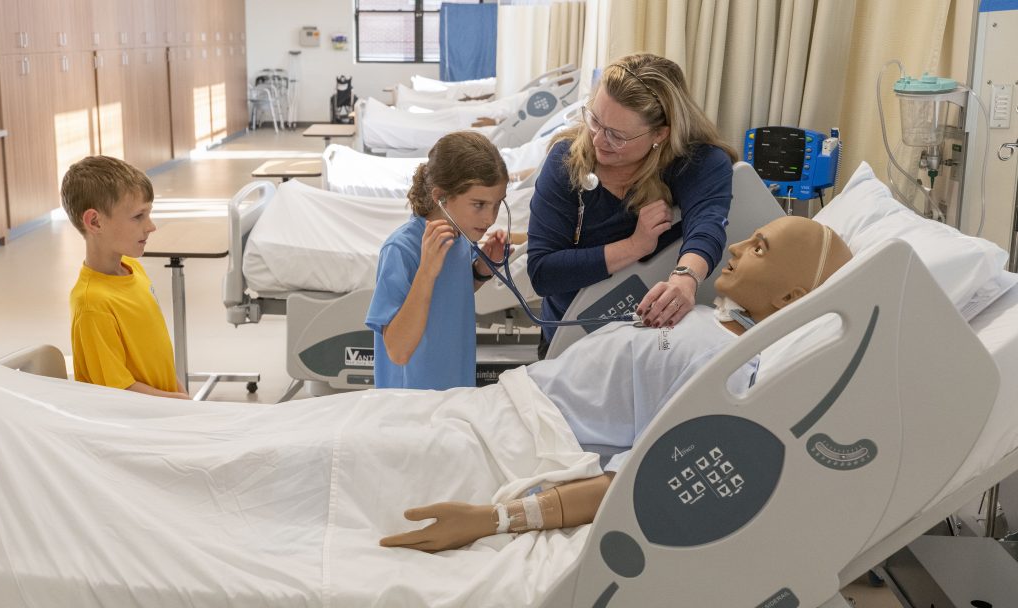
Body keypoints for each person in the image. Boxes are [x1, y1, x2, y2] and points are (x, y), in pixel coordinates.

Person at [381, 215, 852, 551]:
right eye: (749, 239)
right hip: (491, 407)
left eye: (759, 248)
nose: (735, 248)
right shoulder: (706, 316)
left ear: (790, 296)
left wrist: (493, 519)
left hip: (512, 444)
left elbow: (633, 478)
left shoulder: (724, 371)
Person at [527, 53, 738, 358]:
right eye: (595, 120)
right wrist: (635, 246)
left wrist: (685, 278)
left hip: (651, 346)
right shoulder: (566, 161)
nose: (599, 140)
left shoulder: (695, 163)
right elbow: (543, 272)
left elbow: (707, 225)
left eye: (617, 135)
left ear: (660, 134)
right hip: (569, 341)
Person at [365, 131, 511, 389]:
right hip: (411, 404)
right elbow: (398, 351)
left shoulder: (460, 237)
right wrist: (426, 271)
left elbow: (447, 297)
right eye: (479, 204)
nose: (490, 219)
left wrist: (481, 270)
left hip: (454, 388)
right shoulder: (401, 249)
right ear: (440, 197)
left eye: (497, 204)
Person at [61, 155, 190, 399]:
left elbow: (155, 357)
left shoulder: (132, 268)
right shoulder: (92, 305)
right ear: (95, 222)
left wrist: (179, 393)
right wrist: (179, 403)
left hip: (165, 411)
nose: (151, 226)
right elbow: (118, 393)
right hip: (134, 425)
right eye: (138, 216)